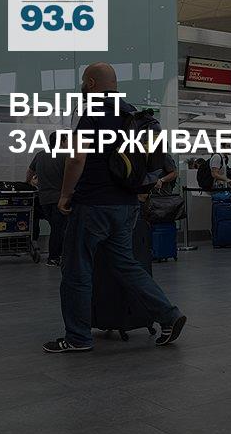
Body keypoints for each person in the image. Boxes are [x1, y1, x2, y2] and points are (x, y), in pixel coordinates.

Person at [43, 62, 186, 353]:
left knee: (76, 269)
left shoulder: (91, 112)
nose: (82, 88)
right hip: (127, 205)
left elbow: (77, 158)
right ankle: (169, 315)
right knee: (126, 265)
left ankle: (78, 338)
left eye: (84, 83)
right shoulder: (132, 114)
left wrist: (65, 194)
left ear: (91, 83)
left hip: (93, 204)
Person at [26, 132, 68, 267]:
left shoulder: (40, 155)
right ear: (61, 141)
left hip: (44, 199)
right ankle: (54, 258)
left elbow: (30, 172)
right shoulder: (66, 156)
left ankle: (58, 256)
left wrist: (28, 183)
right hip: (60, 200)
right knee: (59, 229)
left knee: (56, 228)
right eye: (67, 140)